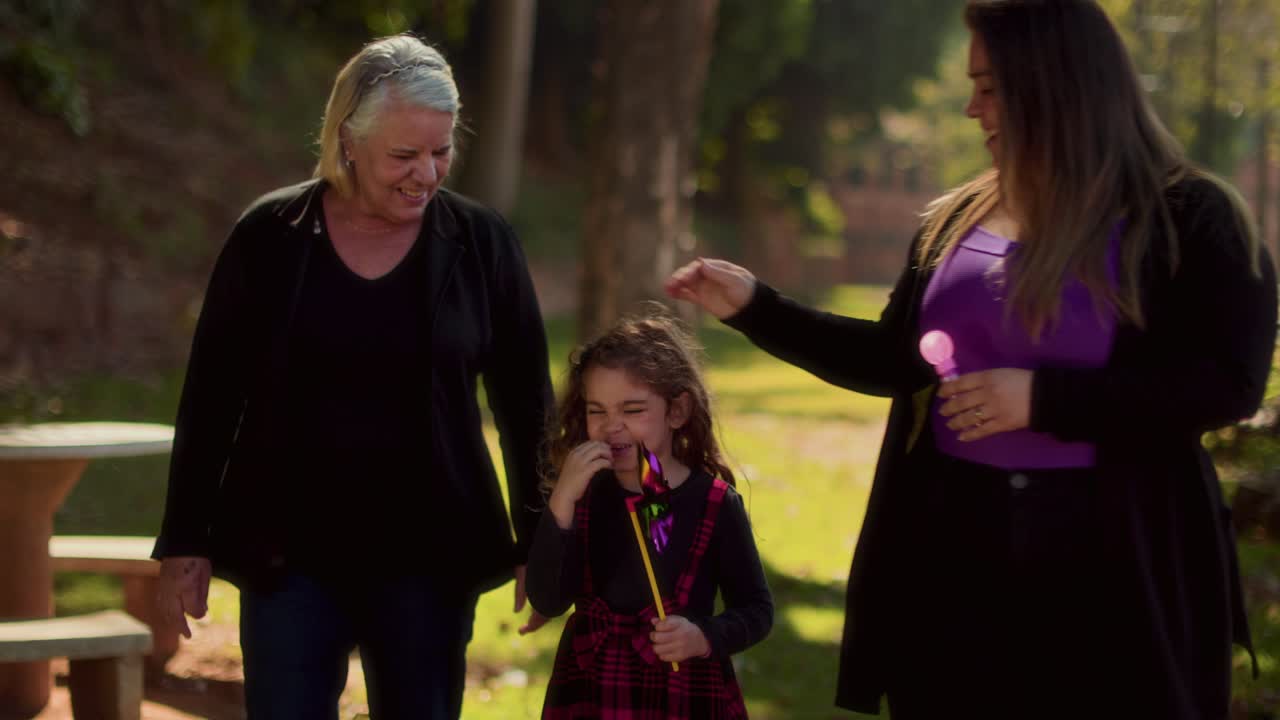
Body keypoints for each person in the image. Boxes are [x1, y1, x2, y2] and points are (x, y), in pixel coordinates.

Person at [666, 2, 1277, 718]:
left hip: (1115, 581)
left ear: (1054, 85)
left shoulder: (1195, 219)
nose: (969, 107)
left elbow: (1225, 384)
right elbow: (895, 361)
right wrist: (757, 307)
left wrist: (1043, 400)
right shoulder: (952, 220)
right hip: (951, 568)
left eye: (989, 87)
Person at [150, 34, 553, 719]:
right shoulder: (269, 236)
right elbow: (213, 395)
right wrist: (186, 538)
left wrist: (542, 541)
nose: (426, 173)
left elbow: (526, 405)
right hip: (290, 560)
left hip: (429, 561)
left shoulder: (482, 243)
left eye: (441, 151)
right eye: (404, 154)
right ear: (348, 142)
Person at [526, 311, 773, 719]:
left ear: (676, 411)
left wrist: (704, 636)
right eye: (597, 411)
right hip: (592, 688)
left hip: (682, 692)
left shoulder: (714, 502)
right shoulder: (582, 496)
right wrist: (562, 502)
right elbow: (548, 599)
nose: (611, 426)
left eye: (633, 410)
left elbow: (756, 609)